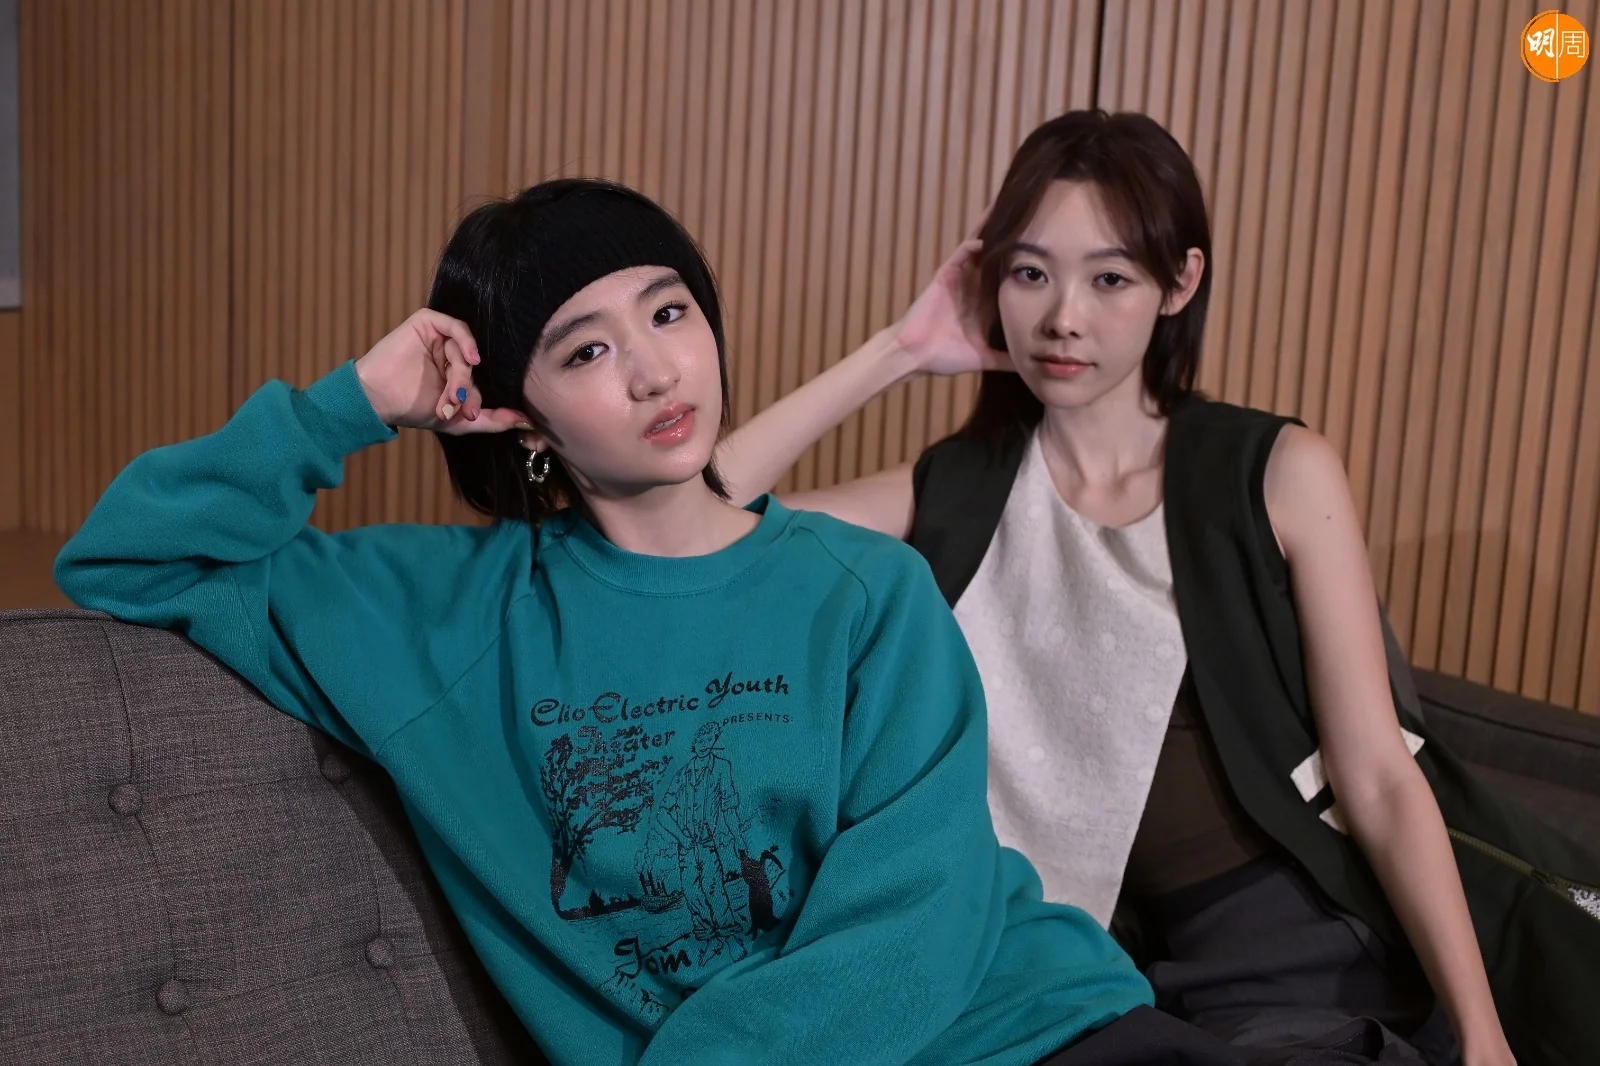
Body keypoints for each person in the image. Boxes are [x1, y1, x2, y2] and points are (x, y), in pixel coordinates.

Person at [55, 178, 1255, 1066]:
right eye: (586, 349)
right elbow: (127, 552)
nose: (653, 372)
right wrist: (354, 403)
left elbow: (917, 910)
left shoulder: (864, 591)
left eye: (668, 313)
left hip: (1031, 1025)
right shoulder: (449, 618)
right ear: (522, 414)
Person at [712, 111, 1600, 1066]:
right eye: (1029, 273)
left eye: (1110, 278)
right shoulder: (955, 491)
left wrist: (1482, 1036)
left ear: (1180, 282)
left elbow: (1378, 777)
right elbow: (703, 520)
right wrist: (899, 349)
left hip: (1280, 949)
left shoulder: (1273, 471)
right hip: (1065, 968)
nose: (1063, 317)